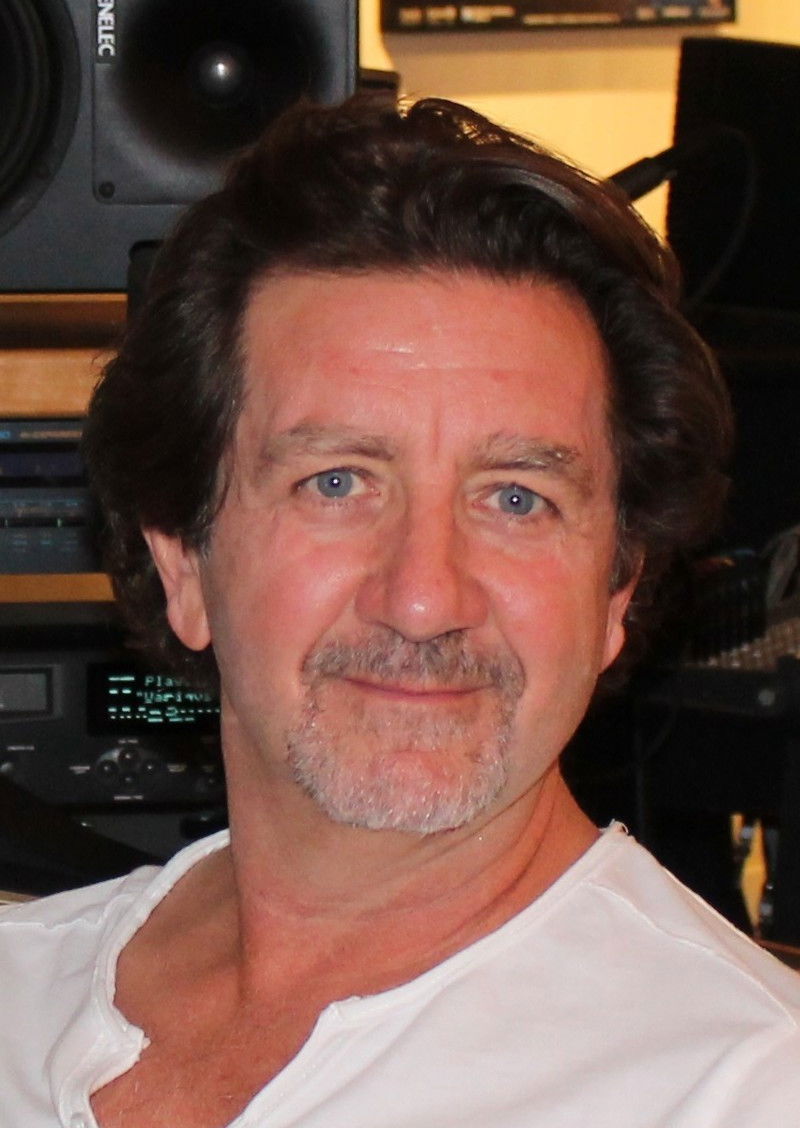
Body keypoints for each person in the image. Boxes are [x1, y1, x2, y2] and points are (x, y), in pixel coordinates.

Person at [2, 94, 798, 1128]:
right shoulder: (21, 993)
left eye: (516, 499)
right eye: (336, 483)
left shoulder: (741, 1087)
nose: (423, 599)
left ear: (617, 587)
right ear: (183, 560)